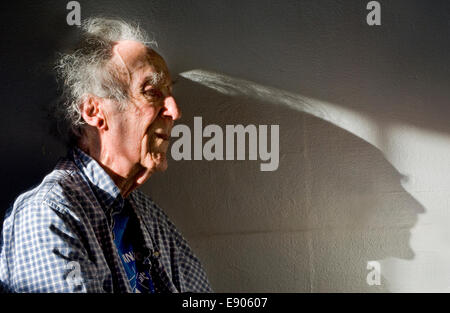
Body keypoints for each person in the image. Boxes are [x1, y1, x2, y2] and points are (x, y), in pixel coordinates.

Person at [0, 17, 212, 293]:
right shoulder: (49, 215)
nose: (174, 110)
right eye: (151, 92)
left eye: (170, 93)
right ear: (94, 112)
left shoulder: (148, 215)